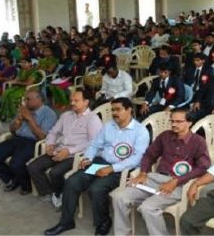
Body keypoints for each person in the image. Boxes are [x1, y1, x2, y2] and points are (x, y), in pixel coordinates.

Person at [44, 98, 149, 236]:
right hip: (101, 162)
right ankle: (66, 221)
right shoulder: (109, 126)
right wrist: (88, 157)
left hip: (121, 170)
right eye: (112, 110)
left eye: (118, 109)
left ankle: (103, 222)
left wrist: (112, 169)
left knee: (96, 189)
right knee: (72, 181)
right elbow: (95, 144)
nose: (114, 113)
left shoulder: (140, 131)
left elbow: (137, 158)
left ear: (129, 110)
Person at [112, 108, 211, 235]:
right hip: (155, 179)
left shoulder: (198, 142)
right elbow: (149, 155)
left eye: (179, 121)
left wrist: (176, 181)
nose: (174, 124)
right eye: (172, 121)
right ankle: (122, 233)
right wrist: (143, 173)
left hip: (178, 184)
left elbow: (203, 167)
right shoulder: (165, 136)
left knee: (148, 208)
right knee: (119, 197)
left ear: (189, 122)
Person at [27, 89, 103, 208]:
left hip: (76, 154)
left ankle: (60, 194)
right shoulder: (66, 115)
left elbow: (94, 143)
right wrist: (50, 144)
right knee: (33, 166)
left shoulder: (93, 119)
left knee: (55, 173)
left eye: (76, 100)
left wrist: (69, 151)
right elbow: (53, 132)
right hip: (59, 149)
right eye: (71, 100)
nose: (72, 103)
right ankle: (49, 193)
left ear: (86, 102)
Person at [0, 89, 57, 194]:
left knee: (16, 164)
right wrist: (18, 120)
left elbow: (42, 137)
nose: (25, 101)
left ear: (39, 99)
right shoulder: (24, 109)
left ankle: (26, 185)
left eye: (28, 99)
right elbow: (12, 129)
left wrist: (30, 119)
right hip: (17, 139)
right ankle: (12, 179)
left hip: (33, 143)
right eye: (25, 99)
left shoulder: (49, 114)